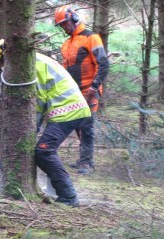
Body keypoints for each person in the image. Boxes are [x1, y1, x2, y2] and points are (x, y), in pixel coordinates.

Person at [0, 39, 93, 207]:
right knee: (44, 151)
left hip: (69, 110)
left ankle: (69, 196)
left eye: (3, 63)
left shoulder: (29, 66)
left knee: (44, 151)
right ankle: (55, 192)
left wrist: (33, 128)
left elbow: (36, 100)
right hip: (67, 108)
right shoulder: (35, 60)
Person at [54, 5, 109, 174]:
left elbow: (104, 63)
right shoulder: (66, 44)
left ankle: (87, 163)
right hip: (73, 91)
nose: (65, 27)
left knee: (86, 126)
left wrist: (94, 86)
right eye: (61, 25)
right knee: (77, 125)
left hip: (89, 89)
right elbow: (64, 69)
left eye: (66, 23)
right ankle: (83, 159)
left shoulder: (91, 37)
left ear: (74, 18)